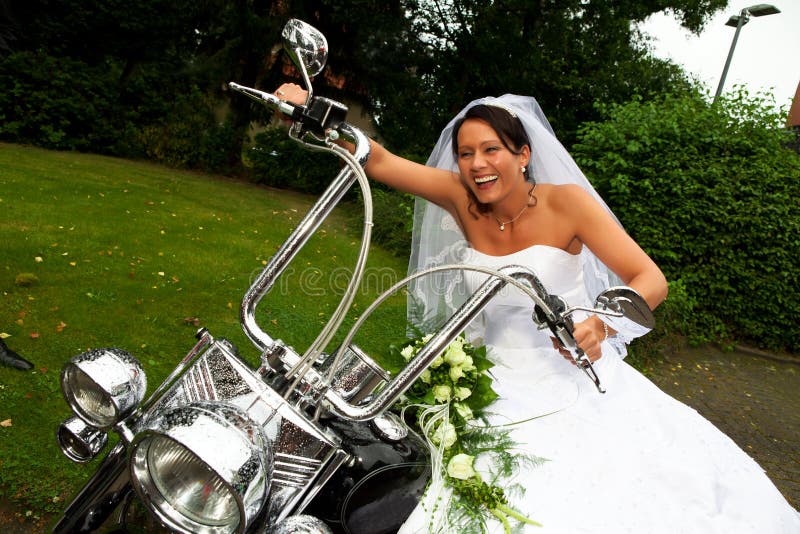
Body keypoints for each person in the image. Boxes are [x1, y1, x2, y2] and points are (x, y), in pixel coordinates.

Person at [274, 85, 800, 532]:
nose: (477, 164)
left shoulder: (566, 204)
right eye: (465, 153)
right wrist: (315, 111)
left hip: (568, 375)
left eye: (491, 150)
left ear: (523, 153)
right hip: (480, 375)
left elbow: (650, 280)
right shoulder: (462, 198)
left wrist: (603, 323)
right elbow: (380, 158)